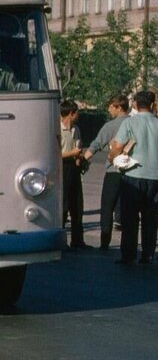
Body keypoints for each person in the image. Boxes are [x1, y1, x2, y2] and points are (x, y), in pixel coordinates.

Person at [110, 90, 158, 265]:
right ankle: (148, 254)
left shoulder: (130, 123)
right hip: (155, 175)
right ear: (152, 105)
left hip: (133, 174)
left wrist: (114, 156)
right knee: (150, 217)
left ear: (135, 104)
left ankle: (128, 254)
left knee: (130, 217)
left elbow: (118, 146)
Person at [83, 95, 130, 250]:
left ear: (118, 107)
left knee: (107, 206)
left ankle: (105, 241)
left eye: (110, 107)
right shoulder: (134, 123)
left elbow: (96, 144)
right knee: (129, 208)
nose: (109, 110)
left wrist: (83, 160)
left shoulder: (110, 126)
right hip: (132, 172)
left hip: (114, 171)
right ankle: (128, 243)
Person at [59, 100, 87, 250]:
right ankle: (61, 240)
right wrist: (72, 153)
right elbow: (54, 154)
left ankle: (77, 240)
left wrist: (79, 158)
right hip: (62, 168)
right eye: (76, 113)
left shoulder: (76, 129)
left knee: (77, 204)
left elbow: (78, 146)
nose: (78, 116)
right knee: (63, 205)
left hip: (74, 168)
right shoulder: (57, 129)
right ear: (71, 113)